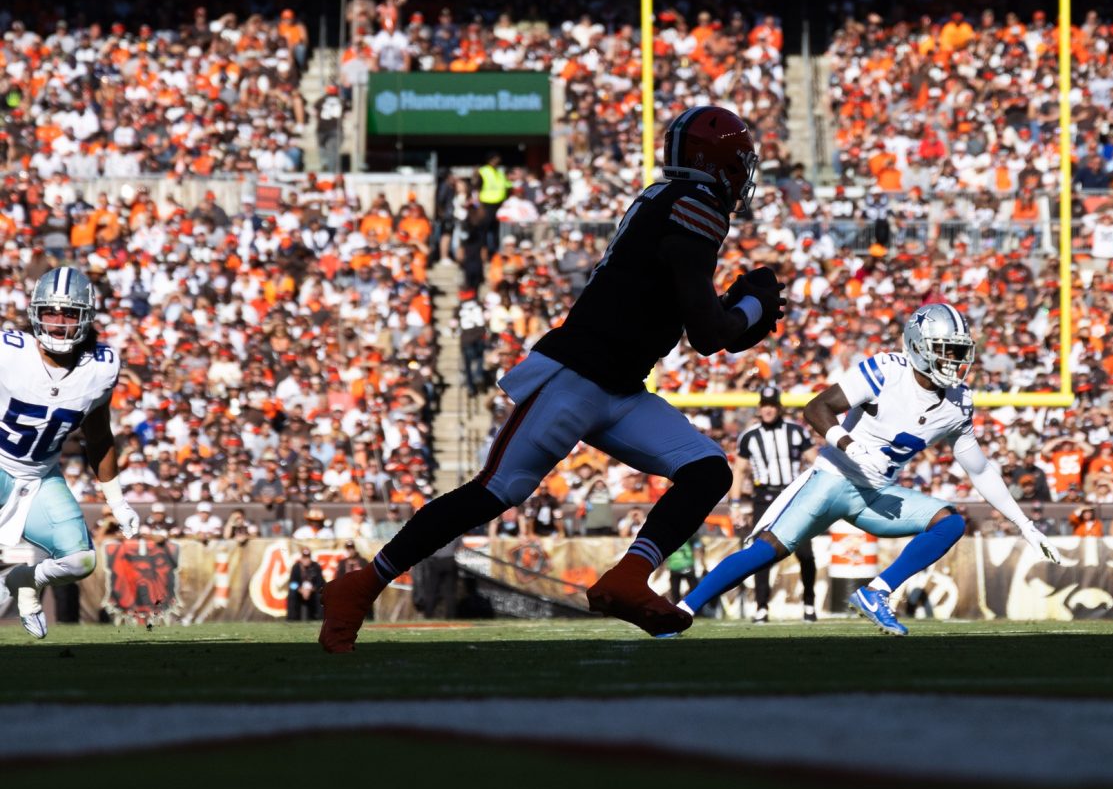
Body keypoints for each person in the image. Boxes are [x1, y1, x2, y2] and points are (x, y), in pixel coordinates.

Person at [318, 107, 780, 651]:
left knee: (706, 469)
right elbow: (707, 333)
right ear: (716, 162)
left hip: (623, 387)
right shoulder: (695, 206)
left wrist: (739, 310)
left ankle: (628, 578)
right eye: (738, 163)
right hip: (577, 378)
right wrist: (751, 307)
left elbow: (687, 312)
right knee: (495, 491)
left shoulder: (670, 202)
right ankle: (360, 585)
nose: (742, 175)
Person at [672, 305, 1057, 635]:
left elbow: (980, 469)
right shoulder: (888, 371)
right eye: (946, 351)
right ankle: (680, 611)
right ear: (920, 348)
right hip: (832, 479)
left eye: (959, 352)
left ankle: (876, 592)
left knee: (951, 522)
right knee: (766, 551)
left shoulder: (958, 403)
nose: (955, 362)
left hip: (875, 495)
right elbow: (817, 407)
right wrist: (851, 446)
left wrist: (1025, 524)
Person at [0, 269, 143, 640]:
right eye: (51, 312)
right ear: (36, 313)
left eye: (69, 314)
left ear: (86, 317)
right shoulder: (8, 351)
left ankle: (26, 580)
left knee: (81, 560)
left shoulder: (101, 366)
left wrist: (118, 501)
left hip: (39, 475)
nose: (59, 323)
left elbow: (98, 435)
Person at [735, 385, 819, 622]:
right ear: (760, 408)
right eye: (765, 405)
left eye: (772, 405)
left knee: (805, 553)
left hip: (793, 496)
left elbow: (816, 461)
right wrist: (734, 505)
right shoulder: (750, 436)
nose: (768, 410)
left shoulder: (796, 432)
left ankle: (809, 604)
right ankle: (761, 607)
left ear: (779, 407)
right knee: (761, 554)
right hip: (763, 498)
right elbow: (739, 470)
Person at [288, 547, 327, 621]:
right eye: (304, 557)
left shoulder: (316, 566)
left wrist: (311, 590)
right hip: (300, 591)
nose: (306, 560)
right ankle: (292, 618)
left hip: (312, 591)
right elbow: (292, 583)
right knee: (292, 593)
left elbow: (320, 582)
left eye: (308, 557)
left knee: (320, 594)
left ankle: (319, 618)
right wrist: (300, 590)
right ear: (301, 558)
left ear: (310, 558)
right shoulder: (296, 567)